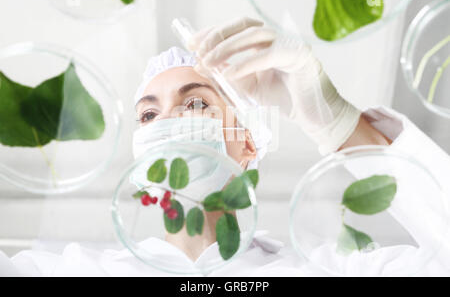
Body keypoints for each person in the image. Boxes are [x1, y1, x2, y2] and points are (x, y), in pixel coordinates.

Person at [1, 17, 450, 276]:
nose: (168, 121)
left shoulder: (324, 269)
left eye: (194, 102)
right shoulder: (76, 272)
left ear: (248, 143)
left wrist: (338, 124)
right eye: (149, 115)